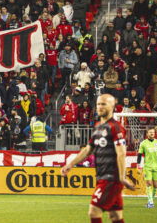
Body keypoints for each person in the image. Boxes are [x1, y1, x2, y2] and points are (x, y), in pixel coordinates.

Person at [61, 94, 135, 223]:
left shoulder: (115, 127)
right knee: (115, 216)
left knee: (94, 211)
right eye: (98, 104)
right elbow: (88, 149)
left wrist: (122, 177)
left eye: (104, 104)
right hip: (102, 177)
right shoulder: (98, 126)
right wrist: (70, 164)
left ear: (112, 106)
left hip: (111, 178)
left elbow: (121, 153)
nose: (100, 107)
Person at [137, 128, 157, 208]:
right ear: (147, 134)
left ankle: (151, 200)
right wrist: (138, 165)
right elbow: (139, 155)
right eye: (150, 132)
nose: (152, 133)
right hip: (147, 167)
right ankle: (150, 202)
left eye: (153, 132)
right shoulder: (143, 143)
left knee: (156, 185)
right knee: (149, 183)